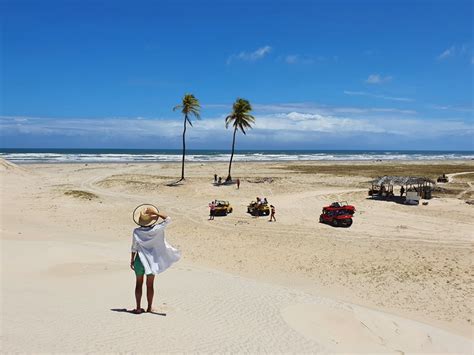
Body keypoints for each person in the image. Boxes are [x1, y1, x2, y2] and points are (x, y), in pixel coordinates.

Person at [130, 206, 180, 314]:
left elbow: (134, 247)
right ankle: (149, 307)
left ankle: (138, 308)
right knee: (150, 284)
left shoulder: (136, 231)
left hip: (139, 259)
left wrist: (132, 260)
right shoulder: (157, 229)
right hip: (151, 261)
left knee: (138, 283)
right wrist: (156, 214)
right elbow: (168, 219)